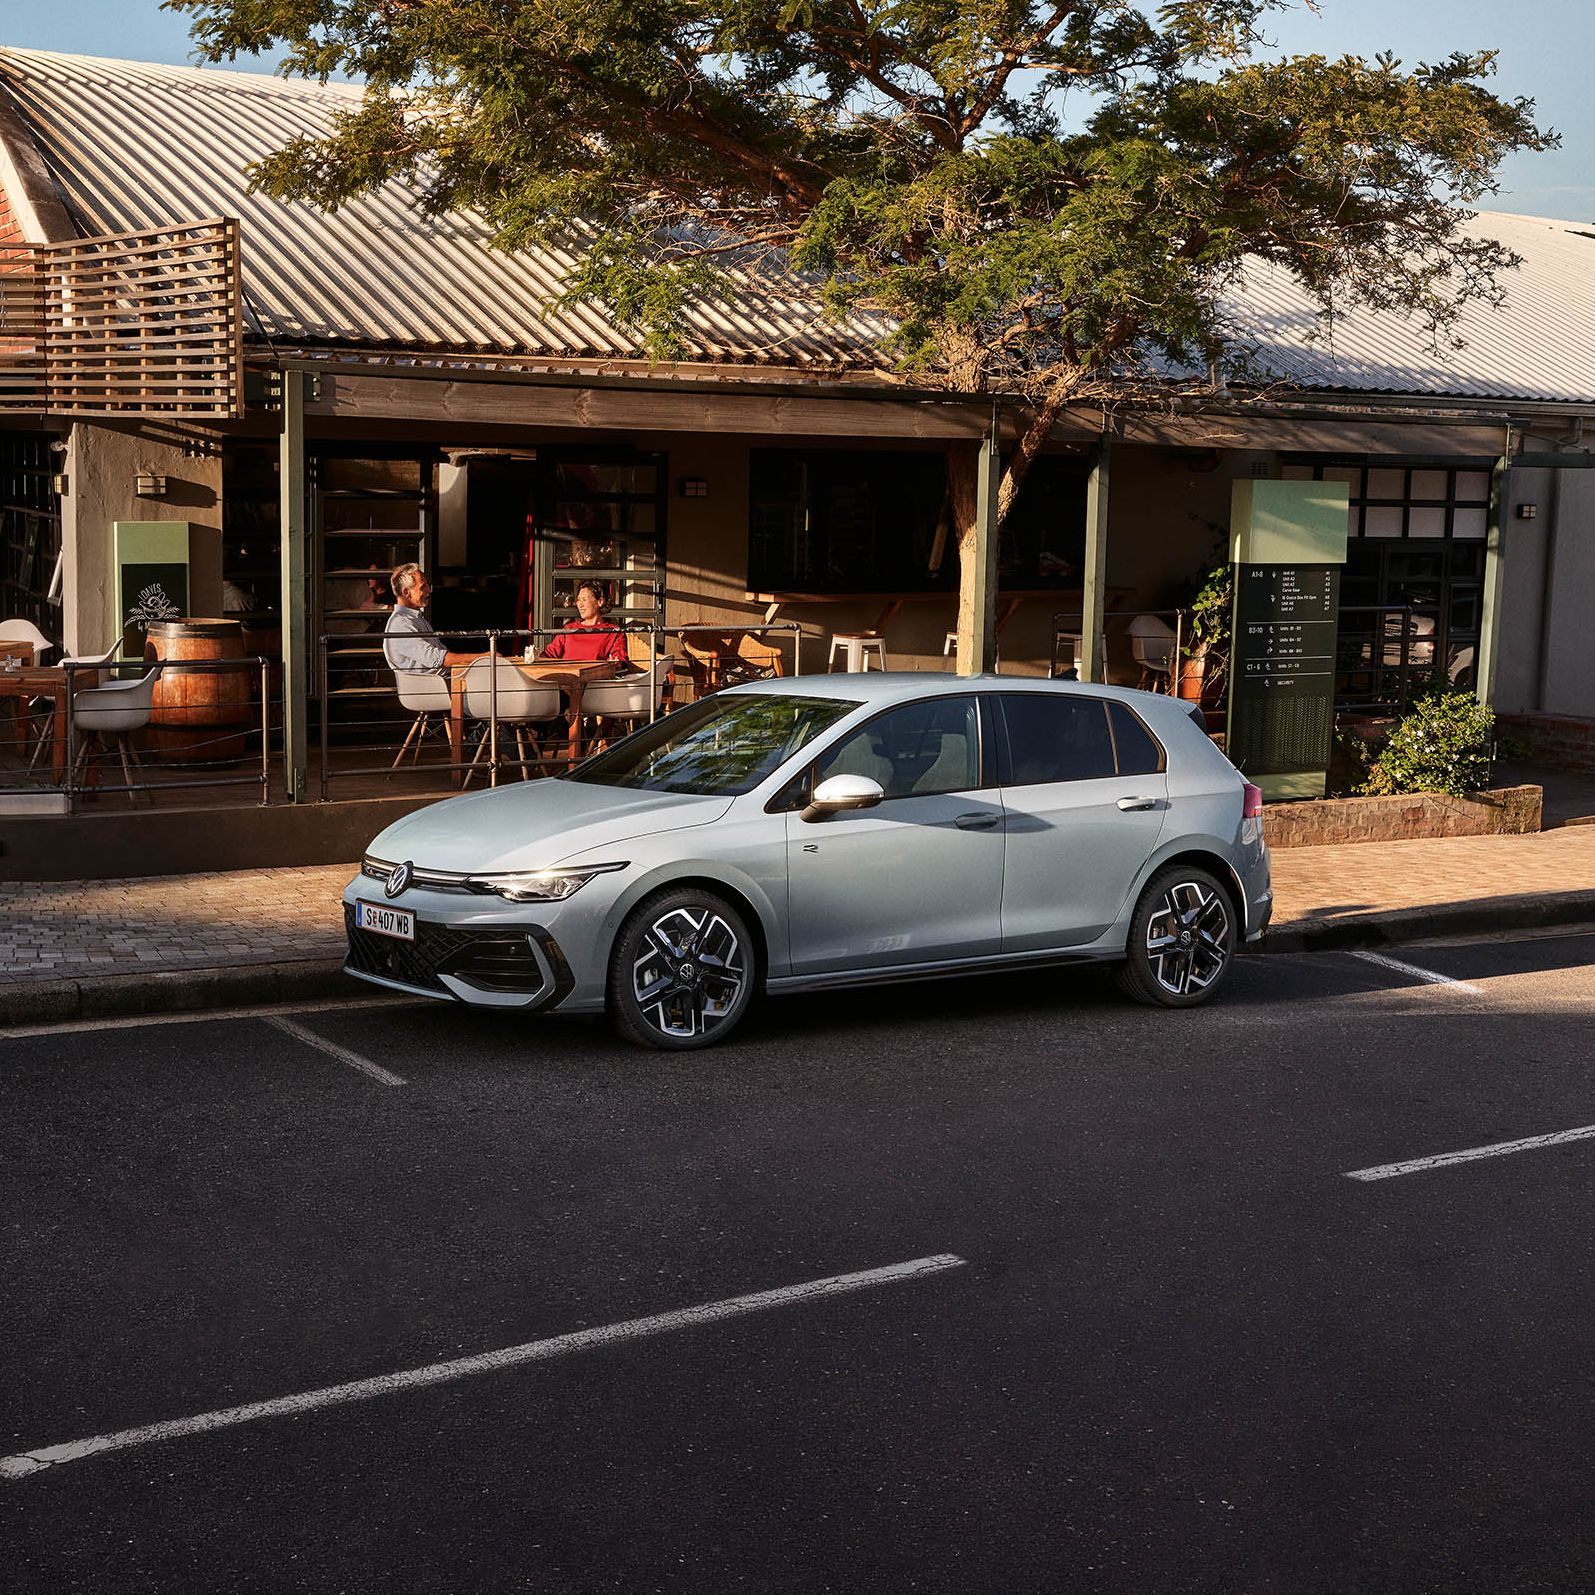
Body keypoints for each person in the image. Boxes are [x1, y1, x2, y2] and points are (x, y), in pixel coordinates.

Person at [382, 563, 482, 673]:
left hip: (441, 680)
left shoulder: (414, 619)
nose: (428, 590)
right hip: (432, 685)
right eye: (423, 586)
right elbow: (437, 659)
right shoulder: (400, 624)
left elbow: (440, 656)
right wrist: (483, 658)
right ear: (406, 592)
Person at [540, 580, 631, 665]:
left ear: (600, 601)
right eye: (579, 600)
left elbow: (619, 660)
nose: (580, 605)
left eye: (584, 599)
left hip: (596, 680)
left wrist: (615, 663)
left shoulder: (614, 632)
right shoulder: (569, 629)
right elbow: (549, 655)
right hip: (567, 678)